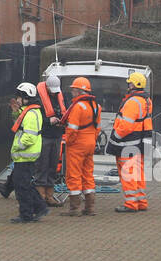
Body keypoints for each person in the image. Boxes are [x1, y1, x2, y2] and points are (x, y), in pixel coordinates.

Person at [109, 72, 153, 212]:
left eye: (130, 83)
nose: (128, 85)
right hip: (139, 143)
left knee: (128, 174)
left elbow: (126, 126)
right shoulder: (146, 101)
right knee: (138, 173)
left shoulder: (132, 102)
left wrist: (114, 137)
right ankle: (141, 201)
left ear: (133, 85)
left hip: (127, 144)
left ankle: (131, 204)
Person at [60, 77, 101, 216]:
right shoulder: (96, 106)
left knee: (73, 175)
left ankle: (74, 208)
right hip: (90, 143)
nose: (72, 91)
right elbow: (97, 128)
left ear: (79, 91)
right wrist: (92, 140)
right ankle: (90, 208)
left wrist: (68, 142)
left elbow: (72, 129)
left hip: (77, 144)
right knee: (88, 174)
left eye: (74, 89)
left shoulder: (78, 107)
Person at [8, 83, 46, 223]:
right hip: (25, 156)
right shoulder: (29, 111)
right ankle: (40, 207)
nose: (16, 99)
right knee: (26, 184)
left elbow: (29, 137)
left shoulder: (31, 114)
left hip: (25, 155)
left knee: (22, 187)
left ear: (25, 98)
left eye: (18, 97)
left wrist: (17, 147)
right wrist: (15, 111)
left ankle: (26, 215)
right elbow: (19, 123)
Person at [33, 74, 68, 206]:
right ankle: (40, 195)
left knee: (52, 166)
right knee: (42, 165)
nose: (54, 93)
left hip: (57, 135)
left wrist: (62, 121)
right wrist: (49, 121)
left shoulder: (59, 95)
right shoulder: (38, 98)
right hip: (44, 136)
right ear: (46, 87)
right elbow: (36, 116)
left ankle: (49, 195)